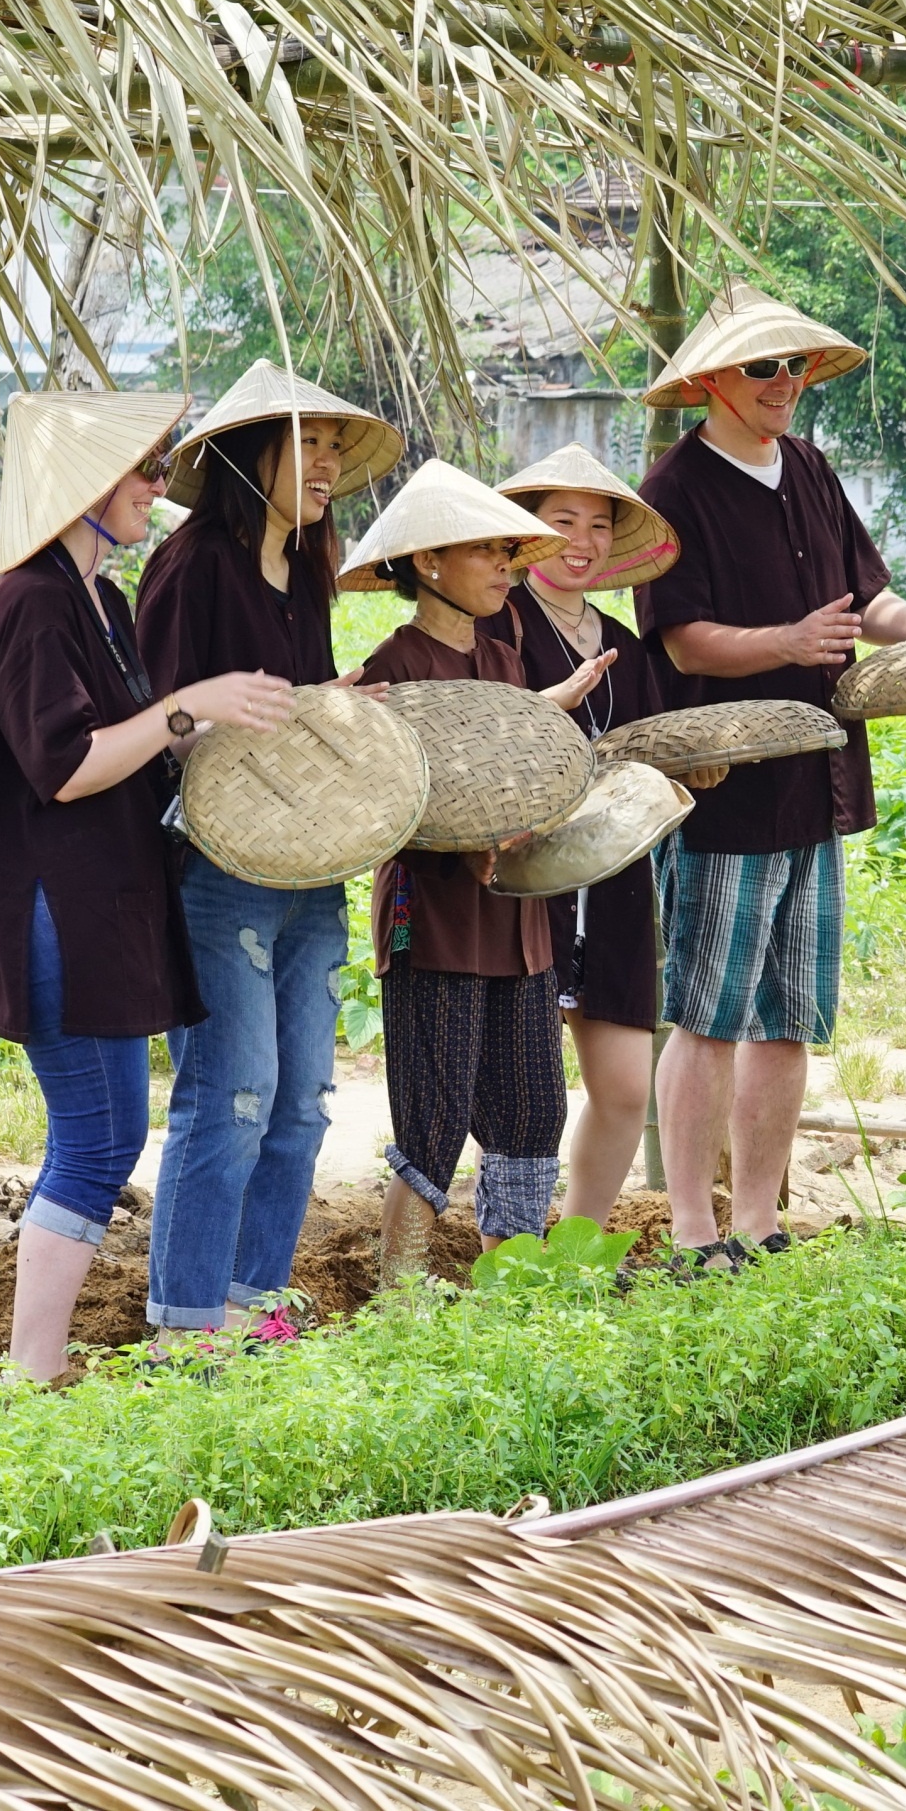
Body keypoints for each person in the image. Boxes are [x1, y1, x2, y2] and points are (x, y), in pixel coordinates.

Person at [0, 391, 292, 1383]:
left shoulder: (99, 600)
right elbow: (65, 765)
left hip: (105, 905)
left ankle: (37, 1366)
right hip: (56, 908)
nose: (156, 486)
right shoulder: (32, 603)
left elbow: (139, 743)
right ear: (83, 486)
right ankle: (32, 1370)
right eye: (143, 468)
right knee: (97, 1137)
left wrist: (225, 716)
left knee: (109, 1132)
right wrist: (185, 706)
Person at [633, 281, 906, 1270]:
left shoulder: (811, 467)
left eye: (795, 365)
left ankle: (759, 1222)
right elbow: (681, 639)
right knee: (707, 1015)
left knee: (789, 1019)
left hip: (817, 781)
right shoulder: (672, 490)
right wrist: (785, 640)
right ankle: (692, 1230)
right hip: (726, 789)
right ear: (709, 381)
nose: (784, 382)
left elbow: (867, 601)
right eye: (762, 367)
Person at [134, 362, 401, 1333]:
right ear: (252, 459)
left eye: (332, 445)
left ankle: (258, 1319)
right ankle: (185, 1329)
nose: (325, 462)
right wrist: (259, 718)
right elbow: (160, 725)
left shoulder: (307, 571)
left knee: (301, 1106)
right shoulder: (192, 565)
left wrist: (333, 706)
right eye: (305, 444)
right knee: (231, 1095)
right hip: (218, 872)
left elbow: (296, 709)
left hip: (309, 867)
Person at [343, 462, 610, 1270]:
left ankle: (511, 1285)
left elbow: (512, 765)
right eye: (485, 551)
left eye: (507, 551)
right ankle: (400, 1295)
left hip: (517, 919)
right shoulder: (392, 665)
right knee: (432, 1119)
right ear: (427, 562)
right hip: (434, 921)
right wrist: (464, 836)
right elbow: (382, 801)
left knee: (532, 1110)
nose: (504, 566)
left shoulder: (504, 656)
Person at [487, 444, 704, 1228]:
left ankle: (576, 1252)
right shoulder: (497, 623)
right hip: (518, 886)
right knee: (521, 1092)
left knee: (622, 1089)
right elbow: (479, 744)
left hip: (612, 886)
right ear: (527, 532)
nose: (582, 540)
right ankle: (506, 1255)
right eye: (563, 521)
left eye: (599, 525)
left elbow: (647, 751)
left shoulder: (625, 643)